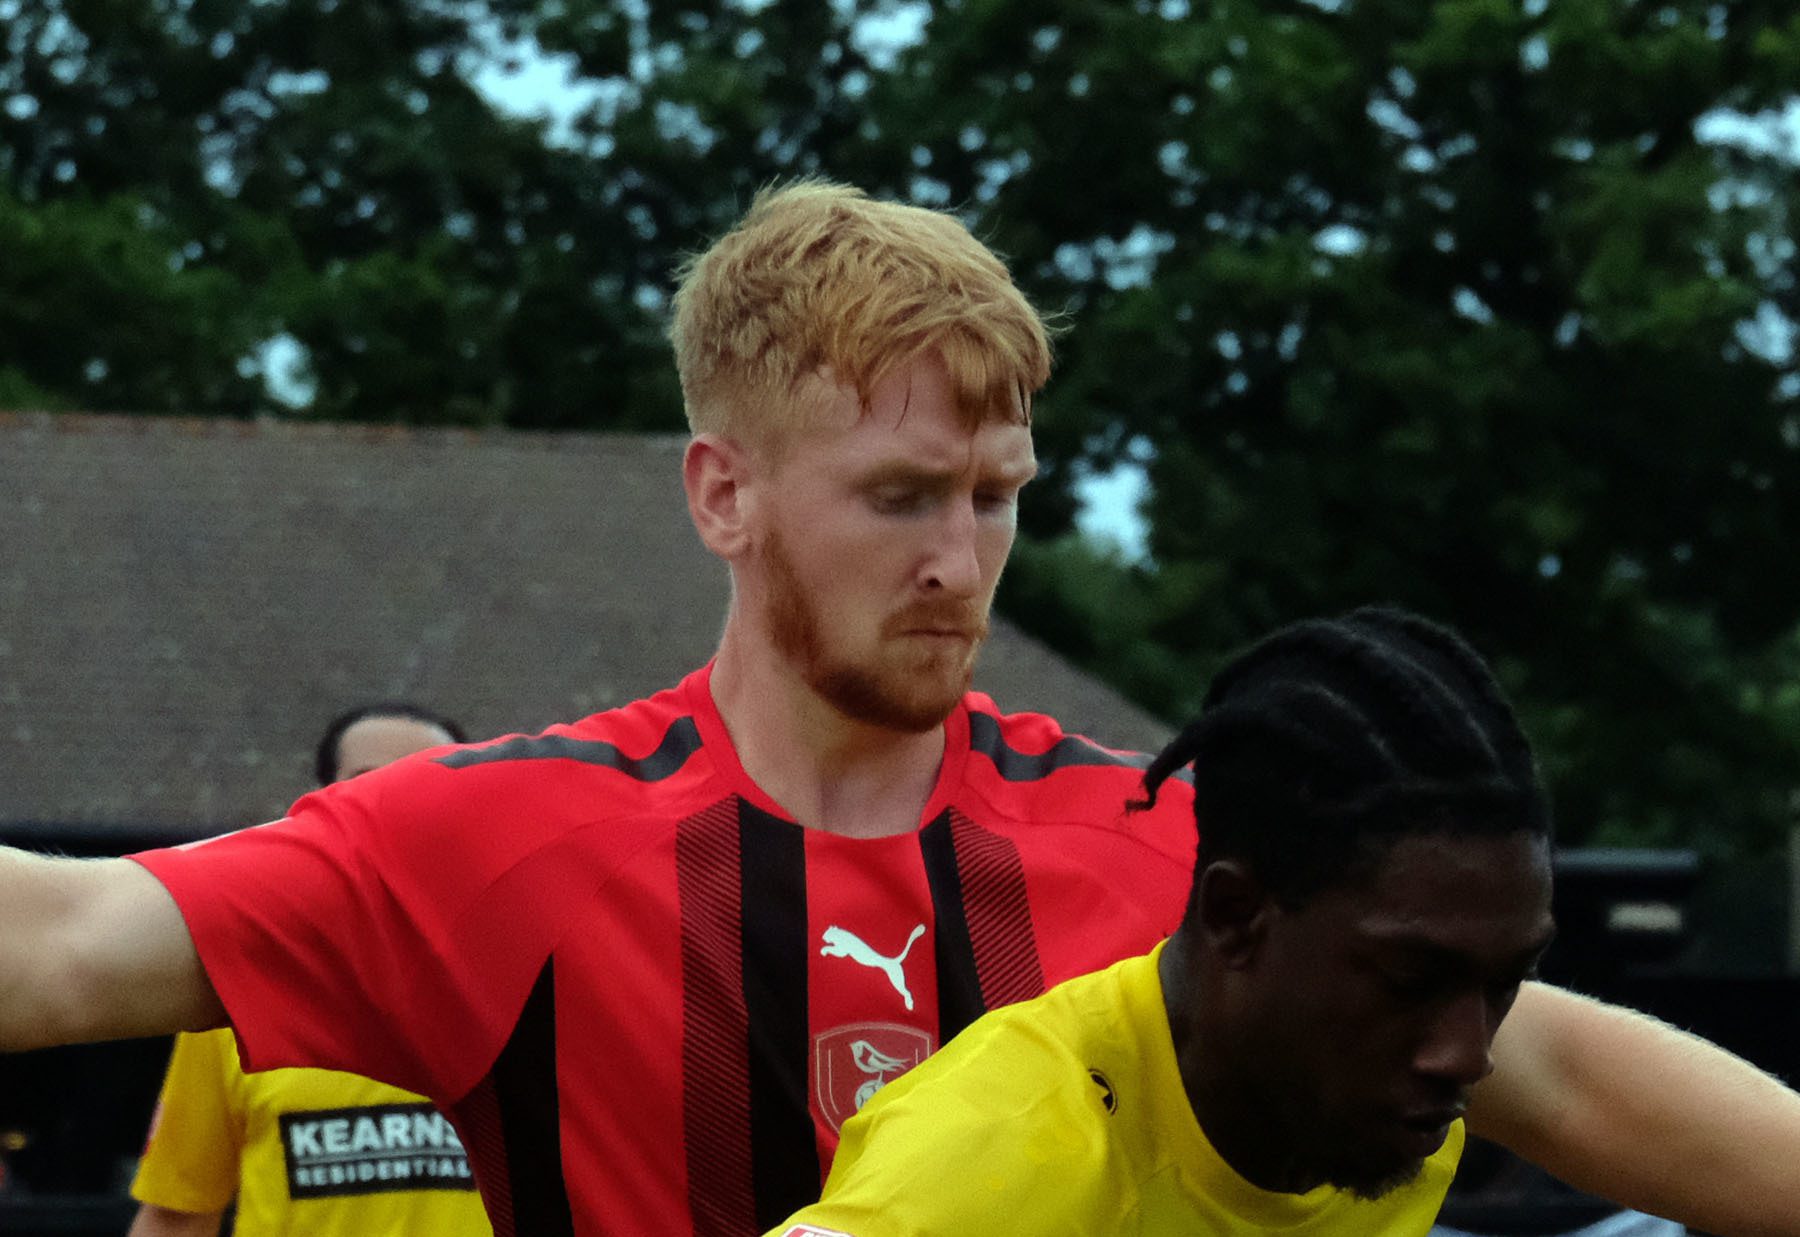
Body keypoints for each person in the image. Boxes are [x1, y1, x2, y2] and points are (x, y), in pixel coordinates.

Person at [2, 181, 1799, 1237]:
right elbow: (63, 941)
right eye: (899, 494)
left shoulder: (1164, 846)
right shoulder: (506, 831)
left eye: (996, 496)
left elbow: (1552, 1056)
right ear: (724, 493)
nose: (961, 557)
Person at [764, 610, 1769, 1235]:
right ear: (1239, 918)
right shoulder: (989, 1166)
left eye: (1504, 978)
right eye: (1414, 980)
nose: (1471, 1051)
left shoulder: (1403, 1052)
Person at [127, 704, 492, 1237]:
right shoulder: (239, 985)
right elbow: (177, 1216)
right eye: (368, 784)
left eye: (426, 782)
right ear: (318, 808)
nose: (400, 803)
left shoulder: (534, 981)